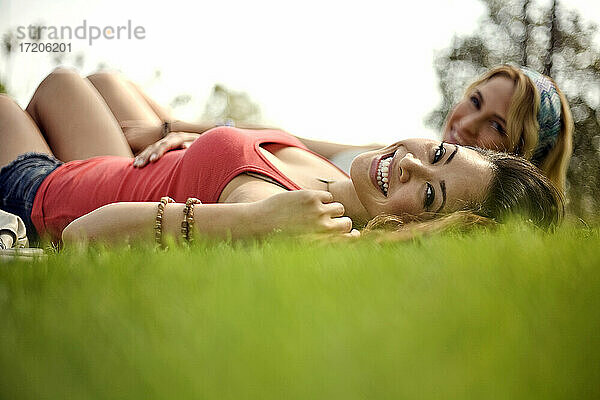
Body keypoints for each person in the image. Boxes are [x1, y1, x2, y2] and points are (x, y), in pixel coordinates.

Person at [0, 72, 563, 246]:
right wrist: (176, 132)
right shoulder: (355, 170)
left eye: (431, 192)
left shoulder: (298, 214)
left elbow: (81, 237)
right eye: (439, 153)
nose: (417, 165)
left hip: (42, 192)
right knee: (75, 83)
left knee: (38, 94)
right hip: (101, 173)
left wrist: (251, 219)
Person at [80, 65, 570, 194]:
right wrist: (175, 125)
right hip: (222, 155)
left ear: (521, 155)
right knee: (110, 84)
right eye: (475, 101)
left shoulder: (413, 195)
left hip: (194, 177)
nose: (466, 123)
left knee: (86, 88)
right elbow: (289, 137)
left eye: (495, 127)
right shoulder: (390, 155)